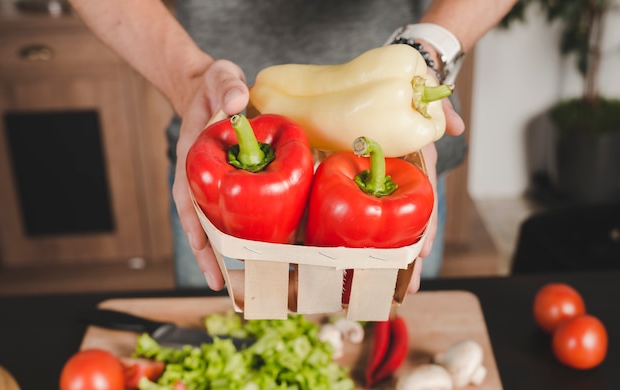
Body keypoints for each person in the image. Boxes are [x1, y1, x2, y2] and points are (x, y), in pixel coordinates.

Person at [68, 0, 517, 293]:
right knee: (223, 333)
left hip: (401, 160)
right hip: (214, 146)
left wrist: (433, 44)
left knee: (371, 332)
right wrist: (187, 80)